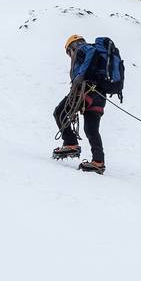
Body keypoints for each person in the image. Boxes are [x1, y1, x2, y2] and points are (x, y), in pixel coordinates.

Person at [52, 34, 107, 175]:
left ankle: (71, 143)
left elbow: (91, 52)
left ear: (71, 46)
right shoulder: (93, 54)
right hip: (99, 96)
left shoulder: (81, 47)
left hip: (85, 91)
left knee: (59, 112)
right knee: (91, 129)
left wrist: (81, 75)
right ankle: (98, 162)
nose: (70, 56)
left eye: (68, 53)